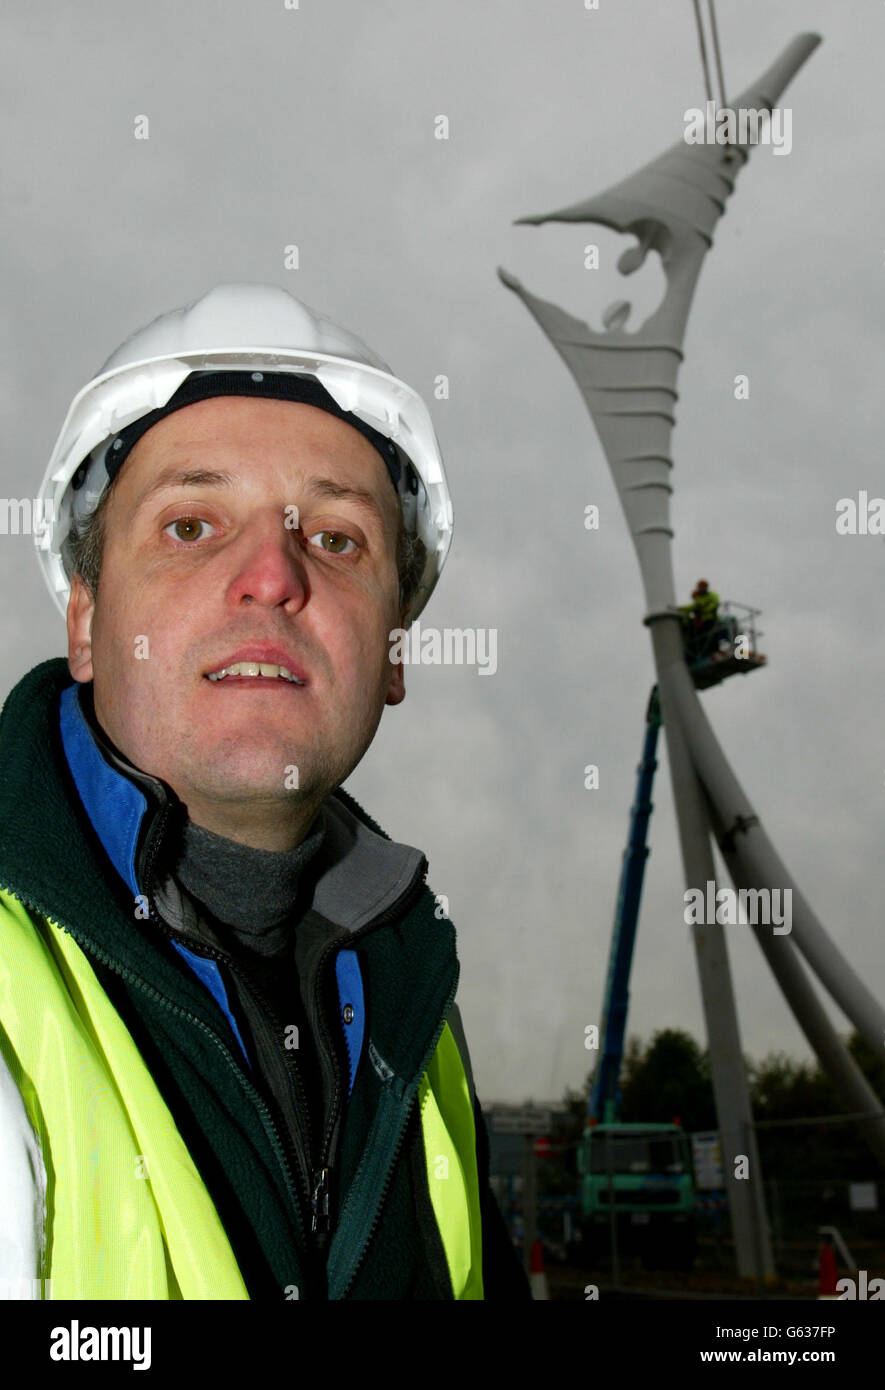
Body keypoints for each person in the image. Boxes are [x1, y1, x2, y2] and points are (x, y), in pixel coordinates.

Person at [0, 282, 530, 1301]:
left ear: (392, 654)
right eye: (193, 525)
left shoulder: (414, 995)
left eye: (336, 538)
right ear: (84, 619)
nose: (272, 576)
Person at [679, 578, 720, 658]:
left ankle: (715, 651)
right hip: (702, 622)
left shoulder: (712, 595)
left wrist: (704, 609)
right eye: (700, 587)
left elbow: (715, 604)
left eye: (703, 586)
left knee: (711, 635)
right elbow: (693, 607)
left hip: (710, 619)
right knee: (700, 636)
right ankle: (702, 653)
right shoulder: (698, 598)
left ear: (706, 587)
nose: (702, 588)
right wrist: (679, 609)